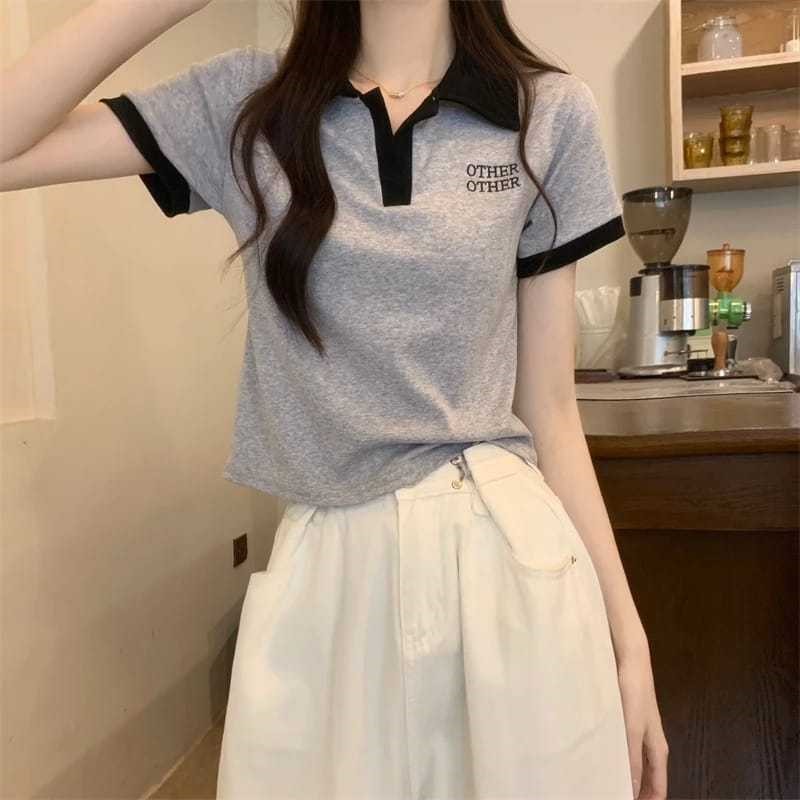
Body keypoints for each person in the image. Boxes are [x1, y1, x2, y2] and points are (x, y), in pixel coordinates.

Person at [1, 0, 669, 797]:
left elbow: (551, 411)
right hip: (328, 568)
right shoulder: (250, 105)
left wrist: (630, 643)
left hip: (508, 560)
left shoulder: (547, 113)